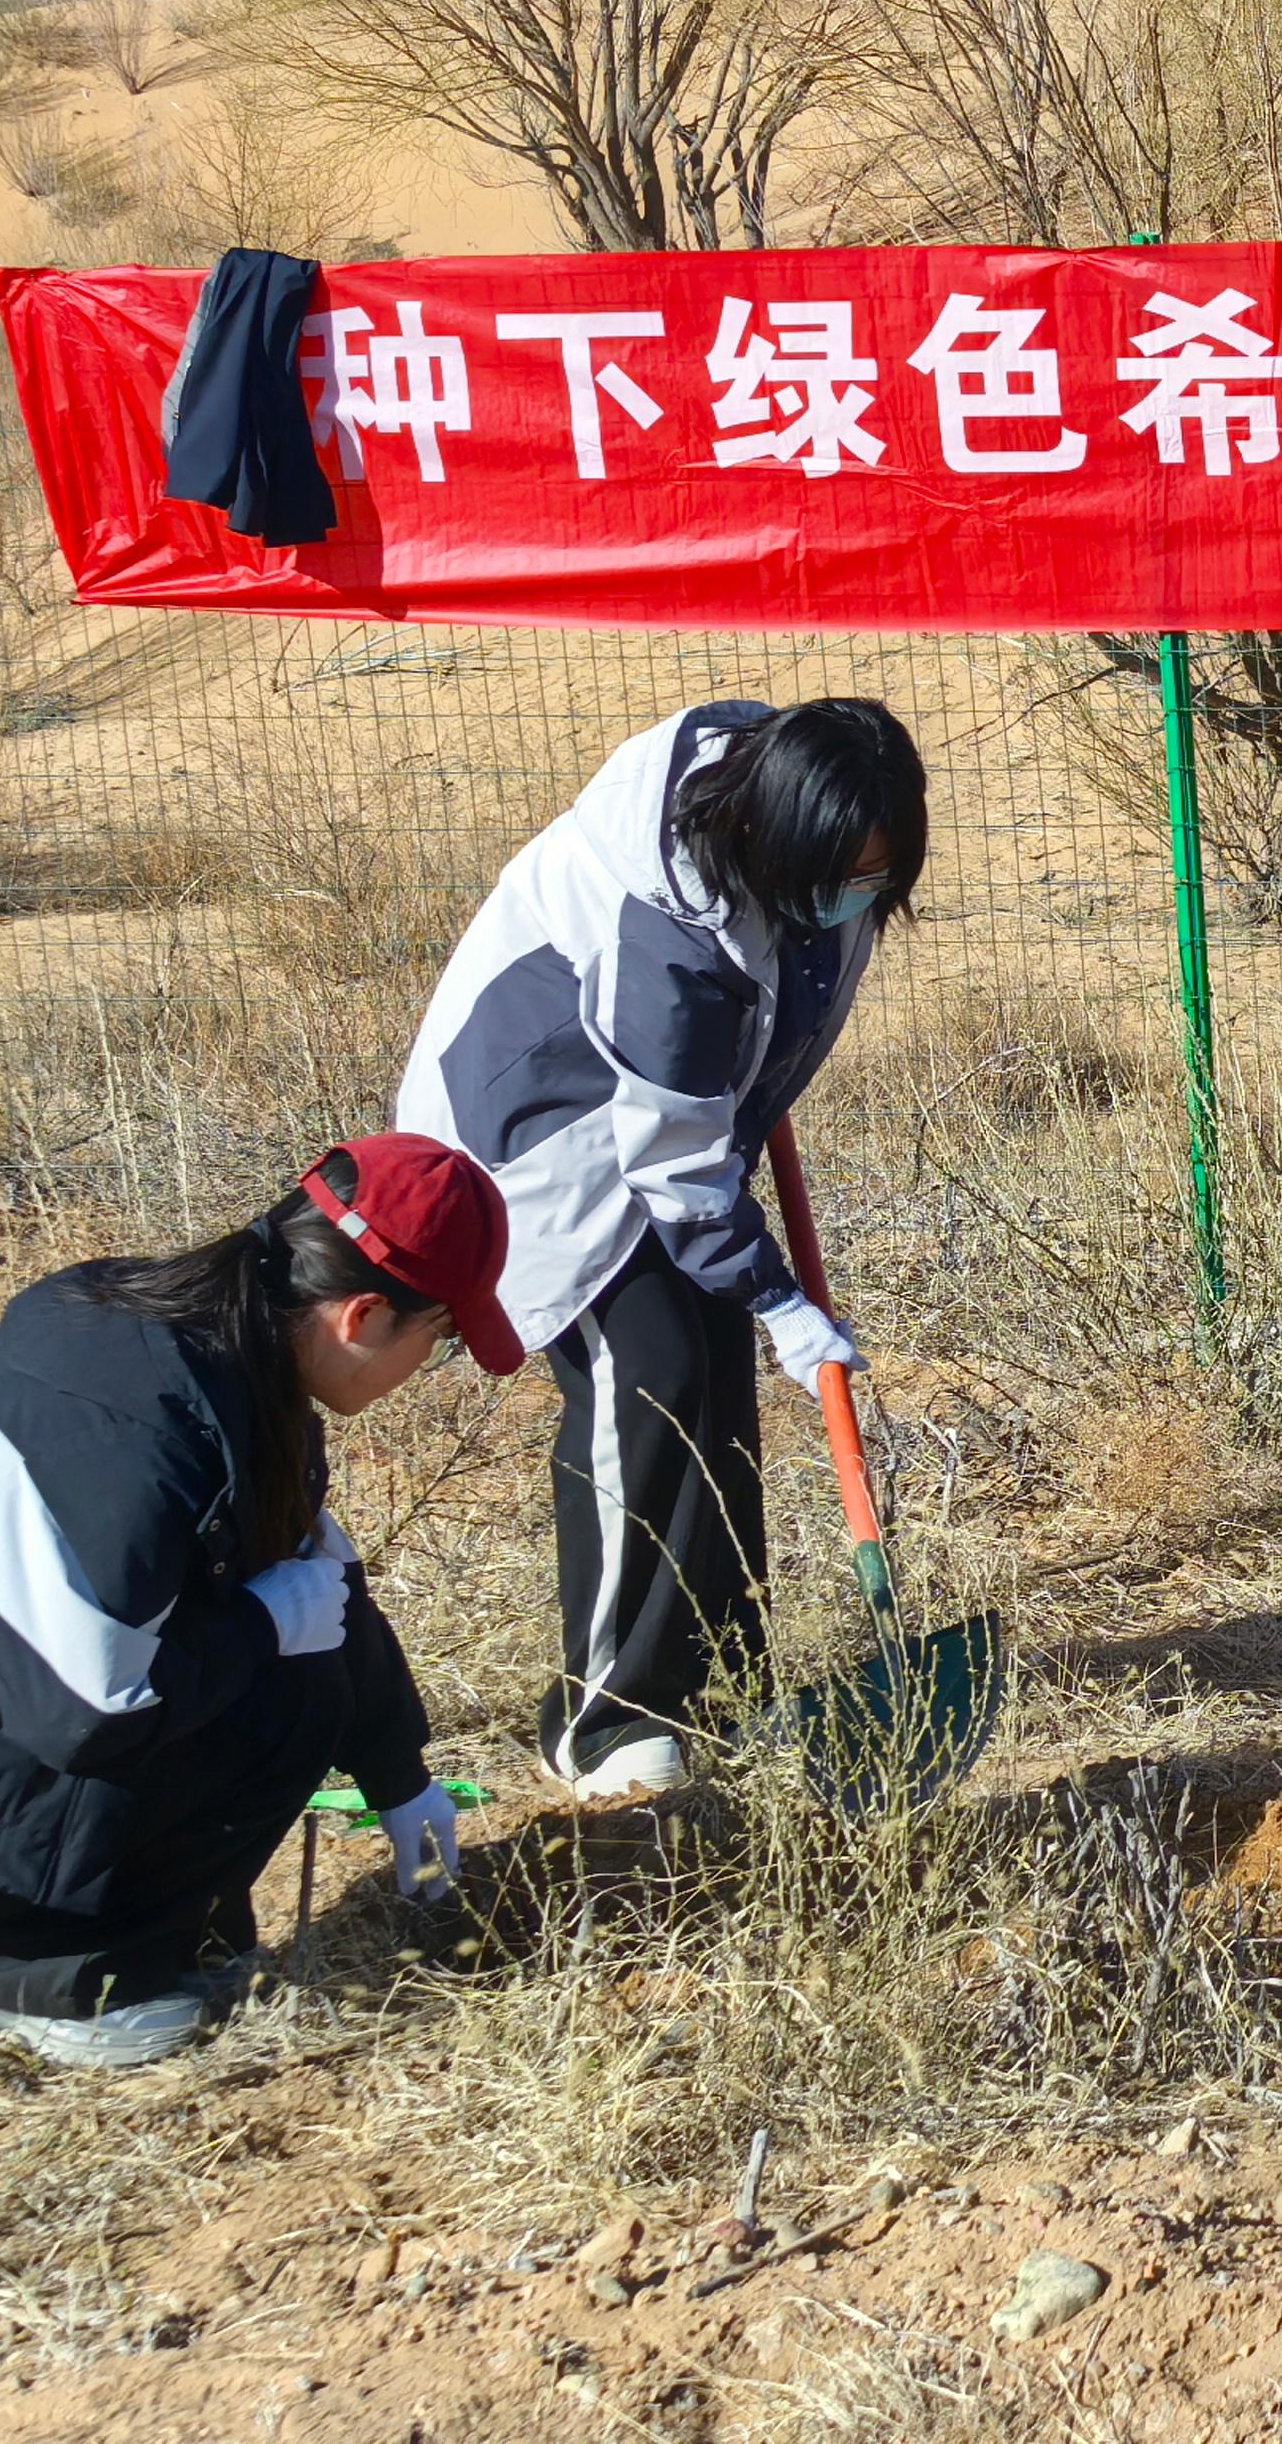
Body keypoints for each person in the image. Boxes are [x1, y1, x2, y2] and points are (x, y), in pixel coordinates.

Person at [0, 1135, 521, 2068]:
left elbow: (326, 1589)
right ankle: (35, 1974)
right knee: (273, 1689)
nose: (431, 1361)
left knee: (296, 1678)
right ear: (362, 1316)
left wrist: (396, 1772)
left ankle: (161, 1938)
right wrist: (263, 1625)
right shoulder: (126, 1430)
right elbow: (89, 1712)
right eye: (439, 1338)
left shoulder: (234, 1369)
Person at [398, 697, 928, 1801]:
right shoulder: (668, 927)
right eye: (842, 877)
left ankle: (724, 1685)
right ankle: (609, 1721)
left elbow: (727, 1069)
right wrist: (777, 1297)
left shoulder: (801, 829)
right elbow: (672, 1161)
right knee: (649, 1376)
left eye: (877, 876)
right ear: (769, 839)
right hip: (543, 1138)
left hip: (668, 1125)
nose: (857, 895)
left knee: (715, 1386)